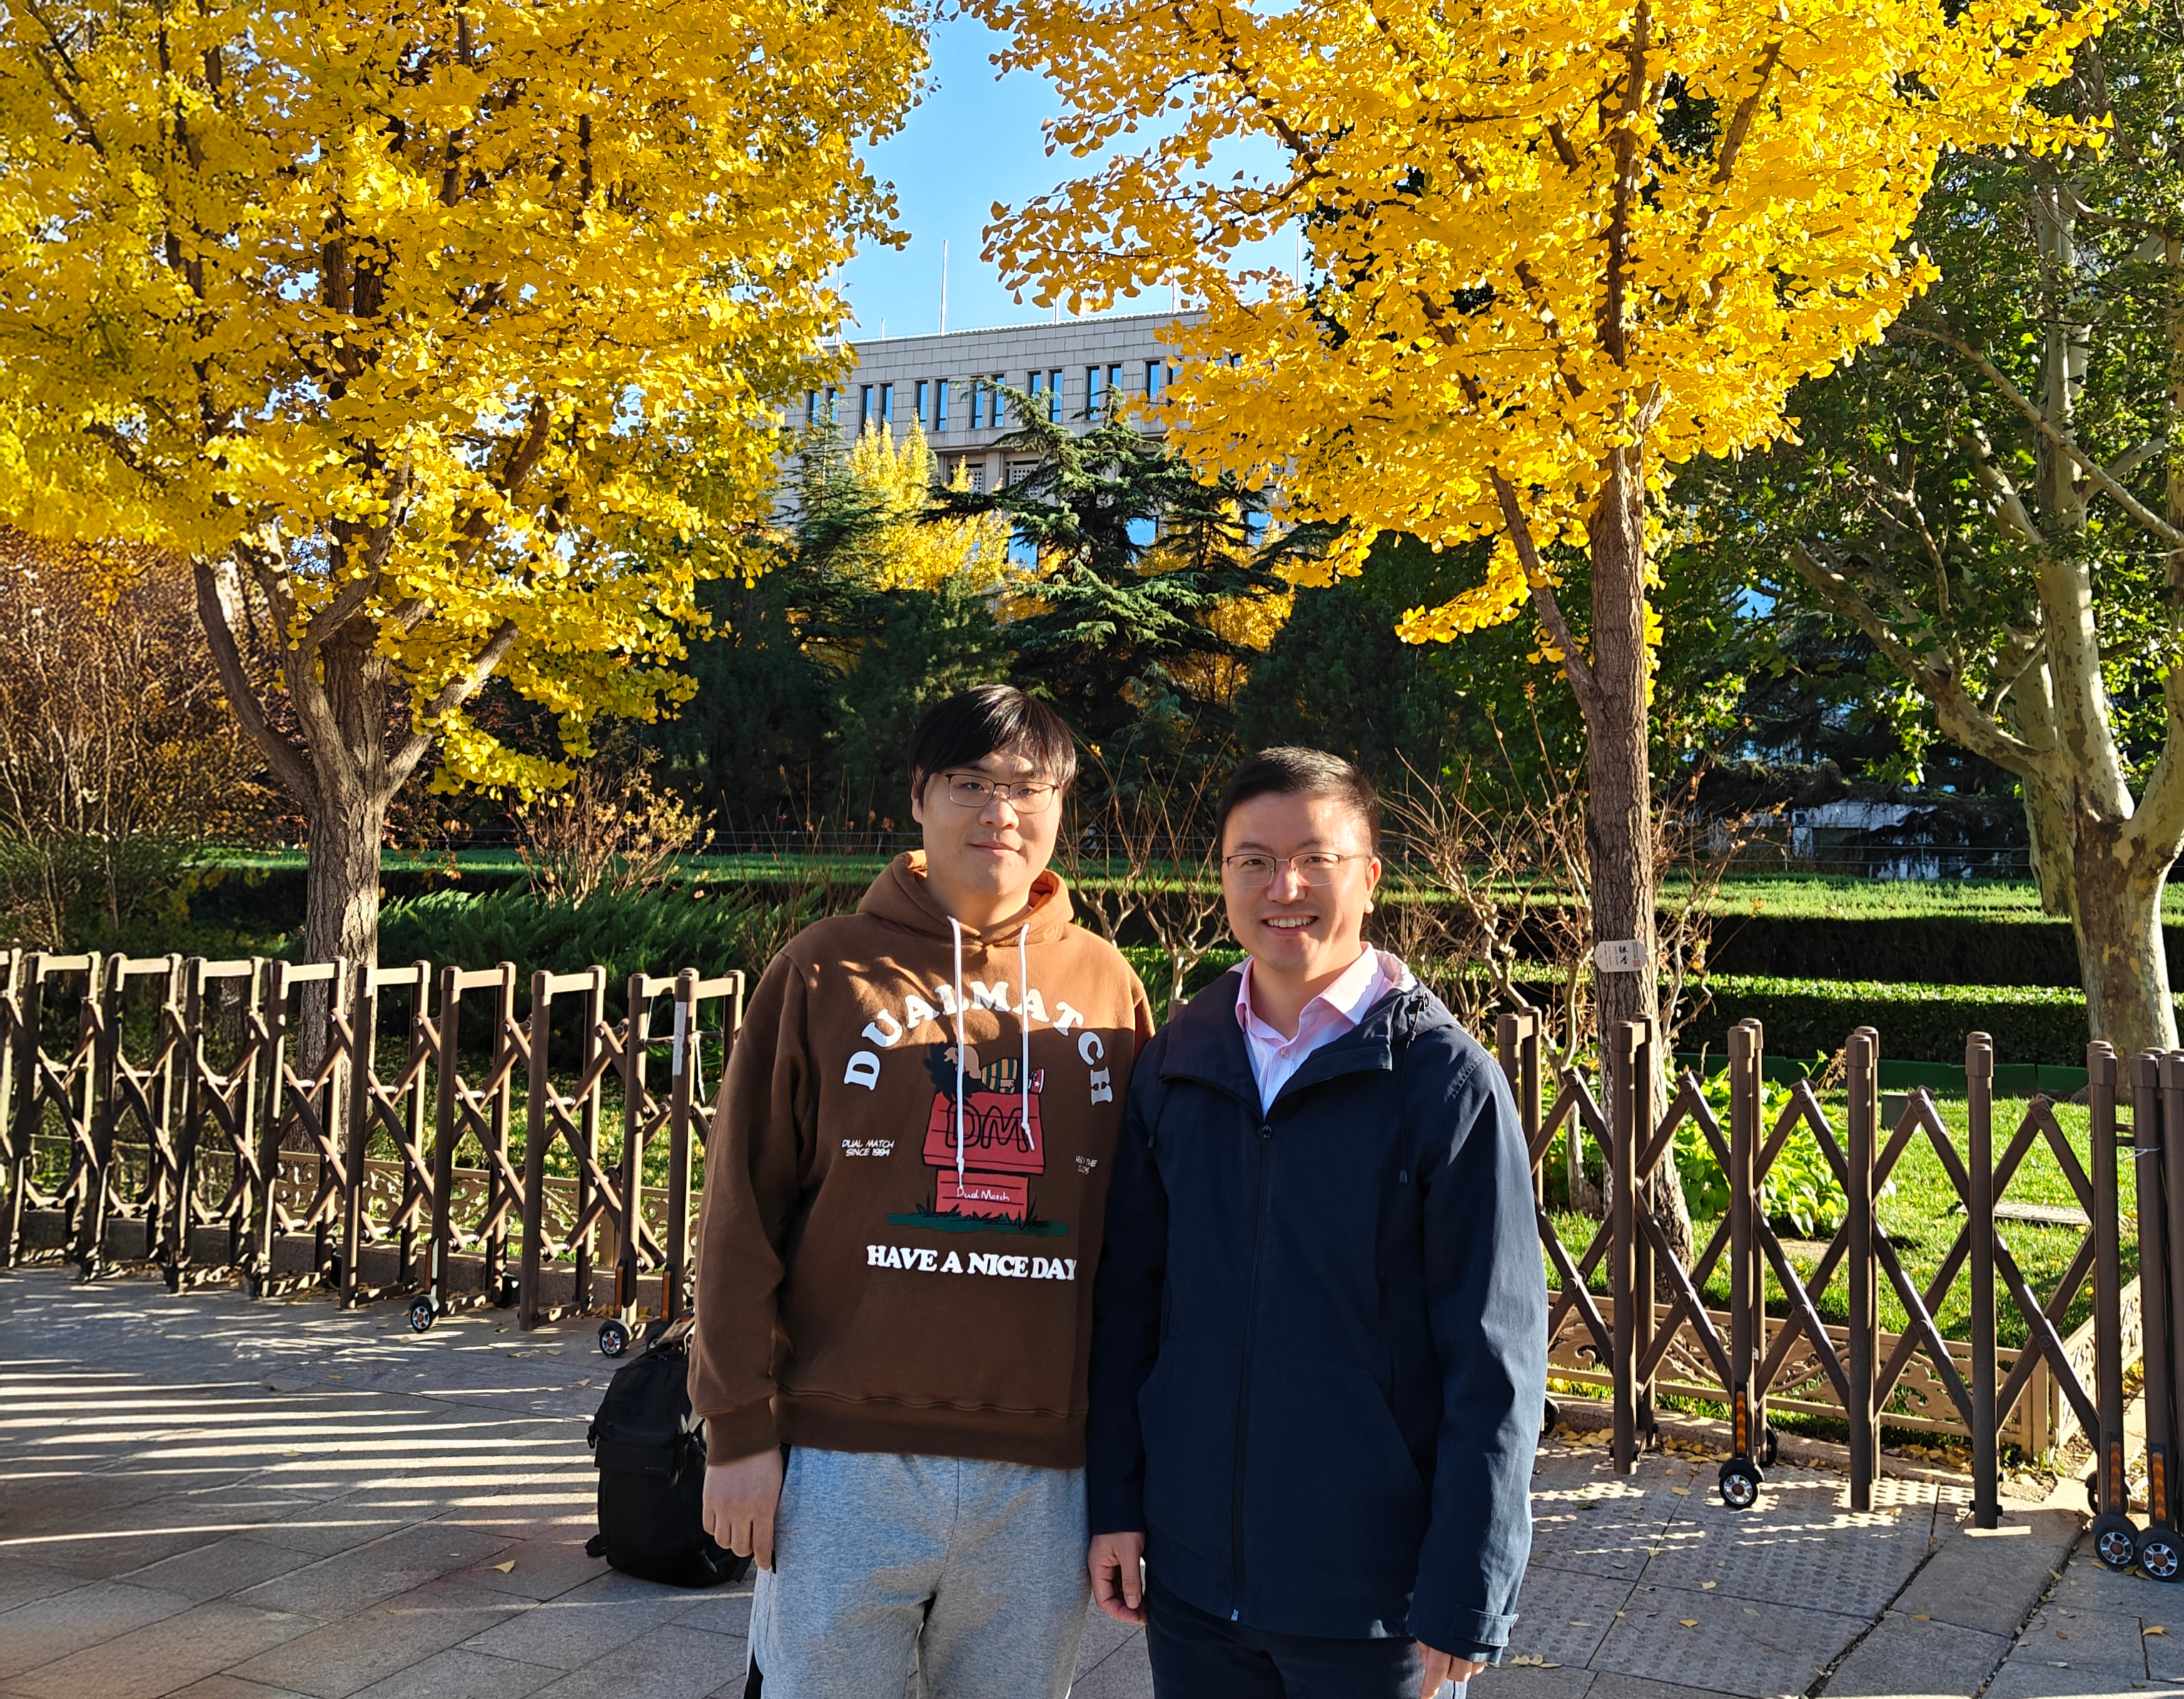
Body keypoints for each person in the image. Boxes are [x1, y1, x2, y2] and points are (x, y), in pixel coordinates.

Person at [689, 683, 1156, 1699]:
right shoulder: (822, 973)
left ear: (1063, 807)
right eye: (971, 784)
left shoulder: (1108, 986)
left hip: (1043, 1470)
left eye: (1029, 788)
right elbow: (740, 1217)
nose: (1001, 812)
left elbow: (1136, 1245)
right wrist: (738, 1433)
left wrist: (1130, 1474)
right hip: (842, 1457)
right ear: (918, 796)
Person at [1085, 747, 1547, 1699]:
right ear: (1221, 876)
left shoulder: (1443, 1083)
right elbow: (1129, 1310)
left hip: (1375, 1600)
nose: (1282, 887)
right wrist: (1118, 1507)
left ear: (1370, 878)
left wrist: (1470, 1586)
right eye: (1251, 860)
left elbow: (1496, 1360)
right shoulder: (1179, 1064)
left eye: (1315, 859)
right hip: (1195, 1592)